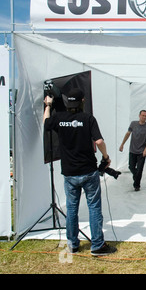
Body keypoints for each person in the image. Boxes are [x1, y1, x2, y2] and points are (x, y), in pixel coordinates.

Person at [43, 88, 117, 256]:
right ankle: (97, 245)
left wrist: (48, 105)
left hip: (69, 173)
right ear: (82, 101)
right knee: (94, 207)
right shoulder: (88, 118)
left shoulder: (59, 118)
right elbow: (98, 141)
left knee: (71, 208)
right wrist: (106, 157)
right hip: (89, 171)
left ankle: (72, 244)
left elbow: (46, 124)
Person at [119, 110, 146, 191]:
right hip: (133, 150)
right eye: (143, 115)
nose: (144, 117)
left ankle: (136, 185)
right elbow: (128, 134)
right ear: (139, 116)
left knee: (140, 169)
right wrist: (122, 144)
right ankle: (136, 176)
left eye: (145, 116)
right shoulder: (133, 124)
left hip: (142, 151)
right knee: (131, 167)